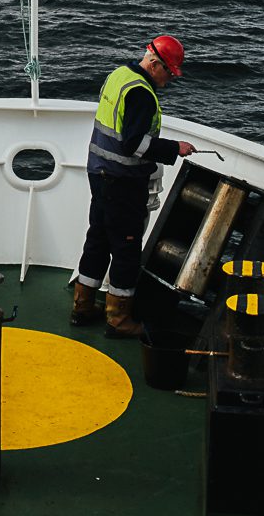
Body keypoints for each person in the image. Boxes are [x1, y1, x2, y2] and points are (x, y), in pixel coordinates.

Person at [71, 35, 195, 338]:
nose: (168, 81)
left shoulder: (119, 76)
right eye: (168, 73)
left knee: (97, 240)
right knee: (126, 249)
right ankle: (118, 320)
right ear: (154, 64)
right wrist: (172, 149)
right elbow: (133, 144)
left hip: (99, 174)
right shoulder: (141, 92)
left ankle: (82, 306)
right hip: (122, 182)